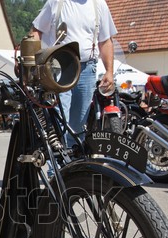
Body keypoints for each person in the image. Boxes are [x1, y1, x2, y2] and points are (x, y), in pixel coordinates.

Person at [31, 0, 117, 148]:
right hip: (59, 67)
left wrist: (109, 71)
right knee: (59, 119)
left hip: (87, 69)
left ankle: (74, 165)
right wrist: (33, 58)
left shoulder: (99, 4)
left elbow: (105, 41)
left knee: (78, 123)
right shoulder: (56, 2)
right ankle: (56, 168)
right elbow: (36, 31)